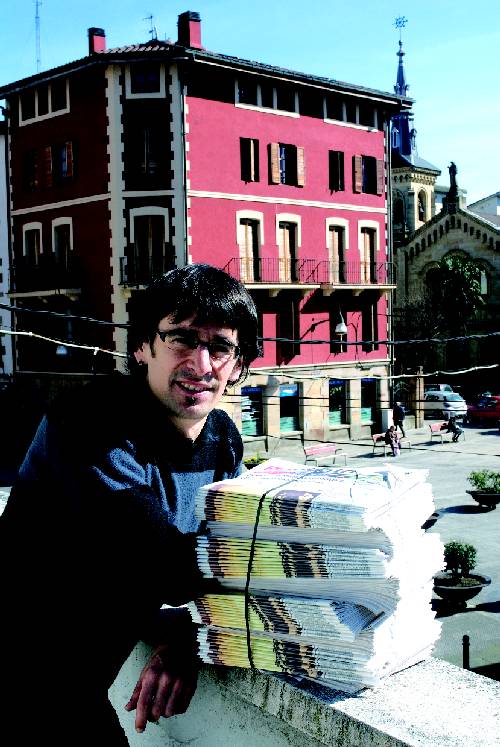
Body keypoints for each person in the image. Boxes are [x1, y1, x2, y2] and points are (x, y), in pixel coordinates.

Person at [0, 264, 260, 746]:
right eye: (182, 339)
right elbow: (168, 565)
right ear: (142, 346)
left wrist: (187, 638)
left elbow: (236, 553)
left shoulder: (222, 439)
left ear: (238, 362)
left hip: (72, 690)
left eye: (221, 347)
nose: (202, 364)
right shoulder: (88, 423)